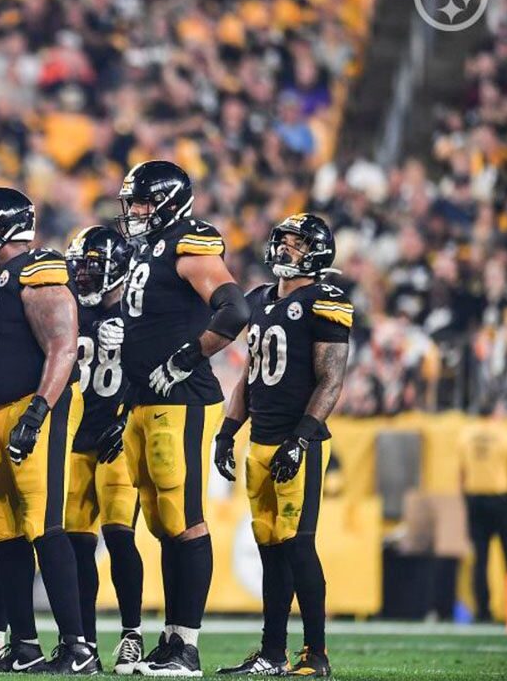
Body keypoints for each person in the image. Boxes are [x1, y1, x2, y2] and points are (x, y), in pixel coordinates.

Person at [105, 160, 249, 676]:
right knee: (166, 523)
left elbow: (234, 311)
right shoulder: (149, 247)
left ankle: (186, 646)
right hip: (145, 398)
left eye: (142, 202)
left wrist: (187, 356)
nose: (135, 212)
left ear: (167, 201)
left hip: (181, 396)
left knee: (183, 517)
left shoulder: (190, 243)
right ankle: (168, 641)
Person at [0, 187, 96, 674]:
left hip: (34, 408)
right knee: (4, 534)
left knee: (44, 526)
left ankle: (78, 648)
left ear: (1, 225)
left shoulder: (39, 268)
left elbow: (63, 345)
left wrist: (38, 412)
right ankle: (25, 645)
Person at [213, 213, 352, 677]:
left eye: (294, 244)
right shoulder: (259, 298)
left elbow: (331, 380)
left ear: (315, 252)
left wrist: (302, 439)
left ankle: (316, 654)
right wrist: (227, 431)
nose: (284, 250)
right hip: (260, 441)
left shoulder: (325, 300)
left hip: (300, 442)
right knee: (270, 547)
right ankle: (272, 654)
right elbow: (249, 377)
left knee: (298, 546)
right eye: (283, 241)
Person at [64, 225, 145, 674]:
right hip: (76, 439)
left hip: (116, 438)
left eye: (91, 266)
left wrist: (128, 416)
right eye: (79, 266)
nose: (82, 275)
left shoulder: (139, 312)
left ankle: (131, 634)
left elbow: (159, 370)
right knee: (77, 546)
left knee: (119, 538)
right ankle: (85, 642)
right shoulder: (71, 309)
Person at [458, 401, 507, 623]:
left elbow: (461, 475)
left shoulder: (466, 435)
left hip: (475, 501)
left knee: (481, 560)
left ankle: (482, 612)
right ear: (496, 412)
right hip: (501, 501)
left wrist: (464, 504)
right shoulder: (506, 435)